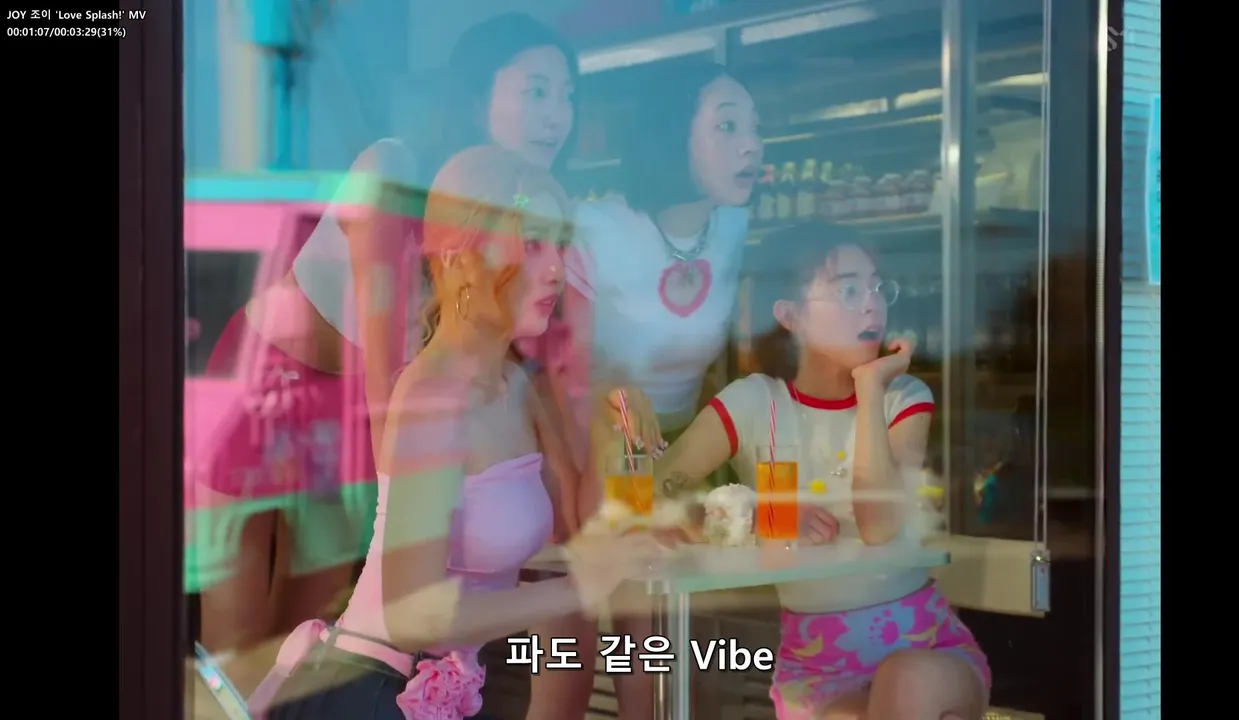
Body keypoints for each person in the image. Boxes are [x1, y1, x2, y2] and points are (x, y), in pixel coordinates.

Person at [188, 12, 583, 691]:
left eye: (568, 95)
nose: (557, 115)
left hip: (356, 408)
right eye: (536, 91)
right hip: (271, 386)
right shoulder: (396, 168)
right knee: (239, 651)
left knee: (301, 640)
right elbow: (380, 371)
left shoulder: (508, 217)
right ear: (475, 98)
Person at [249, 147, 664, 720]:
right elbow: (411, 614)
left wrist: (617, 408)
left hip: (431, 695)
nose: (556, 269)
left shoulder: (516, 387)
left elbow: (577, 525)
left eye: (560, 246)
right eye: (533, 244)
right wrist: (580, 588)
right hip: (368, 693)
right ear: (461, 258)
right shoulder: (432, 396)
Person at [651, 223, 991, 720]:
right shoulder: (755, 403)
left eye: (877, 287)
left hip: (925, 648)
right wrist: (757, 518)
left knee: (905, 681)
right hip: (817, 669)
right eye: (849, 290)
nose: (872, 304)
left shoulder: (902, 397)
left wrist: (870, 387)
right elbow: (654, 495)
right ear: (791, 316)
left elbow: (879, 525)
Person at [527, 60, 764, 720]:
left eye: (754, 127)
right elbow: (562, 369)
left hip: (686, 449)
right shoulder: (597, 229)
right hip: (591, 444)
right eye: (727, 127)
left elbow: (729, 367)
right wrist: (591, 463)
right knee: (575, 667)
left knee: (674, 656)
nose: (751, 145)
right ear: (672, 134)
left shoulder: (734, 229)